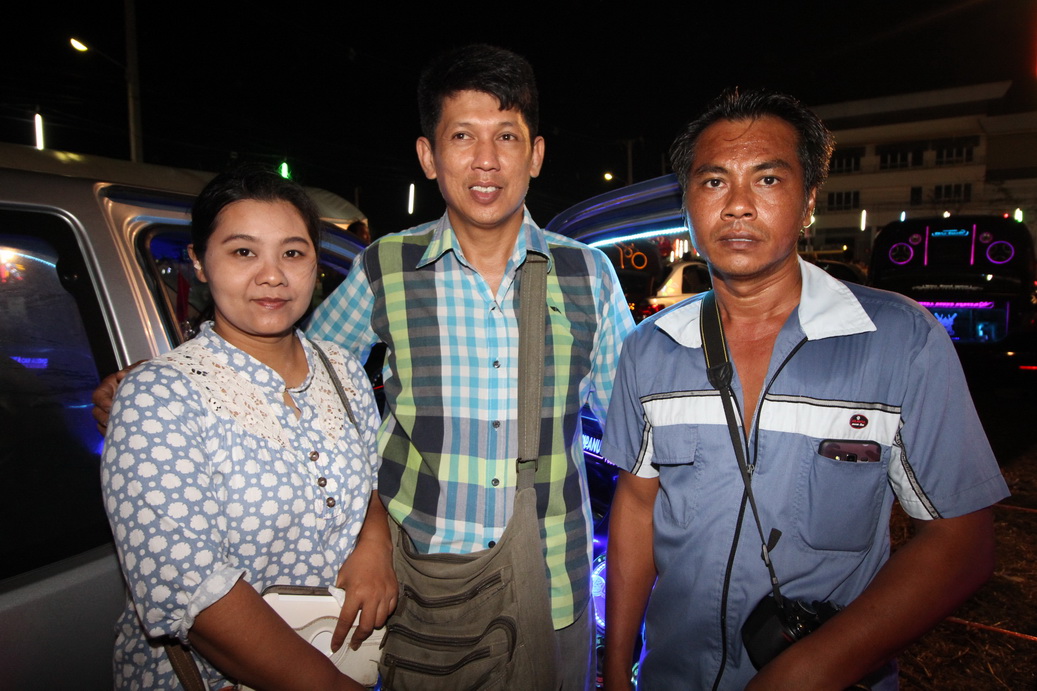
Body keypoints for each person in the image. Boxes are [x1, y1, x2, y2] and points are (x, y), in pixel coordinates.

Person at [600, 89, 1009, 691]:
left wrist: (811, 668)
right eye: (713, 182)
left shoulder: (900, 340)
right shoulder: (650, 348)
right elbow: (638, 507)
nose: (738, 205)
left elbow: (961, 541)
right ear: (688, 203)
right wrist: (616, 666)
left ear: (809, 200)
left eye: (767, 179)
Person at [306, 44, 635, 688]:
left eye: (506, 136)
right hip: (421, 591)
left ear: (535, 155)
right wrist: (169, 386)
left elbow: (636, 418)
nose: (486, 160)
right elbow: (299, 387)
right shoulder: (386, 267)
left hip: (553, 587)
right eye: (462, 136)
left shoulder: (586, 273)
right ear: (429, 155)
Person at [100, 166, 396, 690]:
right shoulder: (158, 396)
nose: (272, 276)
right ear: (199, 261)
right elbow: (194, 593)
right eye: (243, 252)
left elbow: (370, 482)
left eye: (293, 253)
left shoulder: (342, 369)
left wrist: (374, 546)